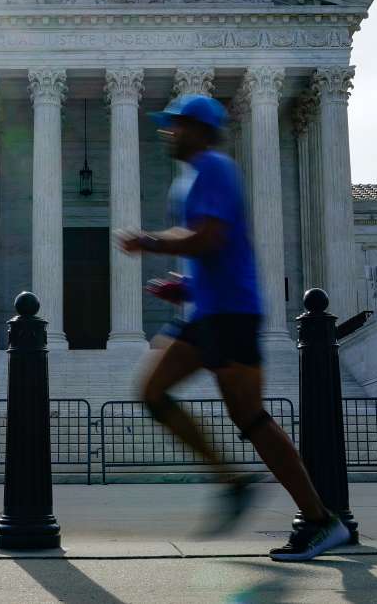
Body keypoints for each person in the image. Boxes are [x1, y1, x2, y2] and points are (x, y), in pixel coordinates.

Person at [115, 93, 351, 562]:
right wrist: (185, 286)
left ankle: (320, 520)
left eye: (177, 125)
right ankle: (233, 479)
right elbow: (212, 249)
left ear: (199, 131)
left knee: (251, 418)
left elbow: (210, 237)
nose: (168, 132)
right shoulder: (191, 179)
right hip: (207, 312)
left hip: (233, 313)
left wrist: (148, 241)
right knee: (152, 392)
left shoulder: (215, 169)